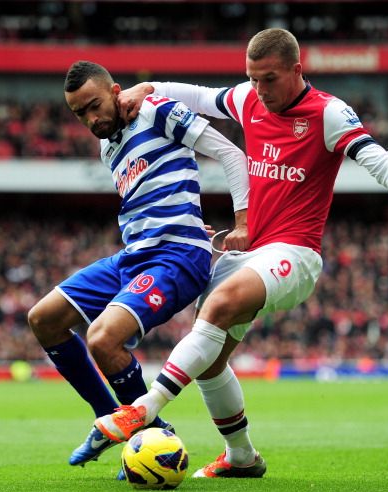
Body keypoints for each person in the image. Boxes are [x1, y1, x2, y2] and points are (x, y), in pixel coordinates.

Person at [91, 28, 388, 478]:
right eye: (252, 79)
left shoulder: (328, 113)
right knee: (210, 363)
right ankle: (242, 457)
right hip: (251, 254)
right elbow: (200, 97)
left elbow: (379, 160)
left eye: (269, 79)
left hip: (295, 254)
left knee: (215, 309)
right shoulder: (249, 99)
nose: (259, 91)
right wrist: (149, 88)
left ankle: (141, 410)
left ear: (297, 70)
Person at [28, 60, 249, 468]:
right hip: (134, 254)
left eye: (94, 106)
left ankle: (151, 437)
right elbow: (154, 193)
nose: (90, 119)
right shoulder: (106, 146)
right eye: (80, 114)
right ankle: (108, 418)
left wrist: (244, 221)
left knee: (102, 338)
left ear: (115, 91)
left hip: (177, 255)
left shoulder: (156, 109)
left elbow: (231, 154)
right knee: (43, 318)